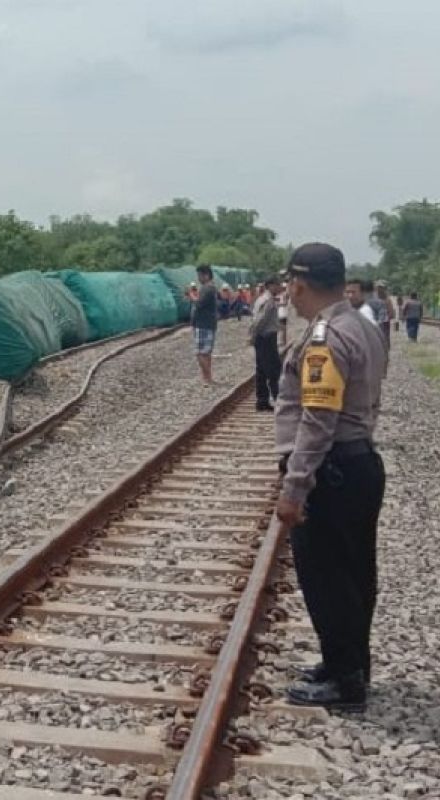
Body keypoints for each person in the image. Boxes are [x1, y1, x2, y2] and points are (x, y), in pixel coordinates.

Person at [276, 242, 386, 711]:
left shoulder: (324, 337)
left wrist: (295, 487)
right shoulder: (363, 324)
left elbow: (318, 419)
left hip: (332, 471)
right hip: (359, 463)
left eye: (289, 286)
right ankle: (349, 663)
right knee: (355, 573)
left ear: (299, 284)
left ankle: (344, 681)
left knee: (327, 578)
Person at [249, 277, 281, 411]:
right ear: (270, 286)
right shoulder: (268, 301)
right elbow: (260, 321)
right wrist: (252, 335)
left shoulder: (263, 299)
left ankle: (262, 401)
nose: (279, 287)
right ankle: (279, 401)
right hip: (266, 338)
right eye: (277, 285)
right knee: (273, 370)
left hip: (263, 338)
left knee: (261, 370)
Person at [192, 265, 218, 385]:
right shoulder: (210, 288)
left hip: (204, 324)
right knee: (206, 352)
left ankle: (207, 377)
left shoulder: (207, 288)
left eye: (200, 275)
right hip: (208, 323)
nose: (198, 278)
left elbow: (199, 304)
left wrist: (192, 297)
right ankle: (206, 377)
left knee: (200, 352)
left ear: (206, 275)